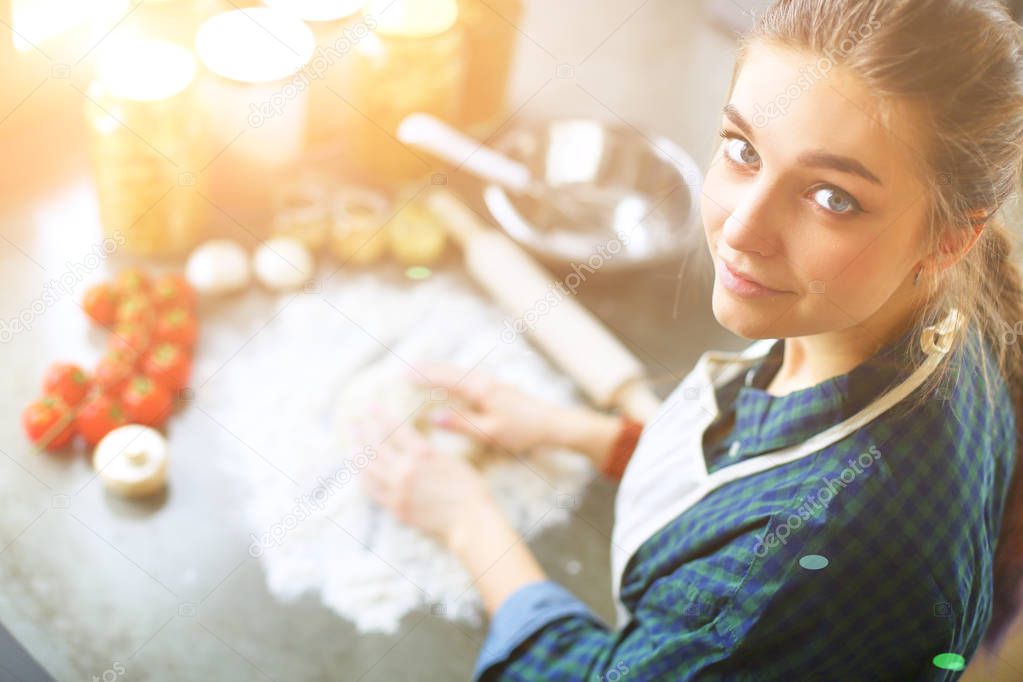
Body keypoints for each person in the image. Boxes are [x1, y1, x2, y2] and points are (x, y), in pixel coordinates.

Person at [361, 0, 1023, 678]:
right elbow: (748, 475)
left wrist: (470, 523)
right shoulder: (931, 314)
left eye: (831, 198)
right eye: (742, 150)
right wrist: (577, 432)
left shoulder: (808, 564)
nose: (740, 230)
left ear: (948, 239)